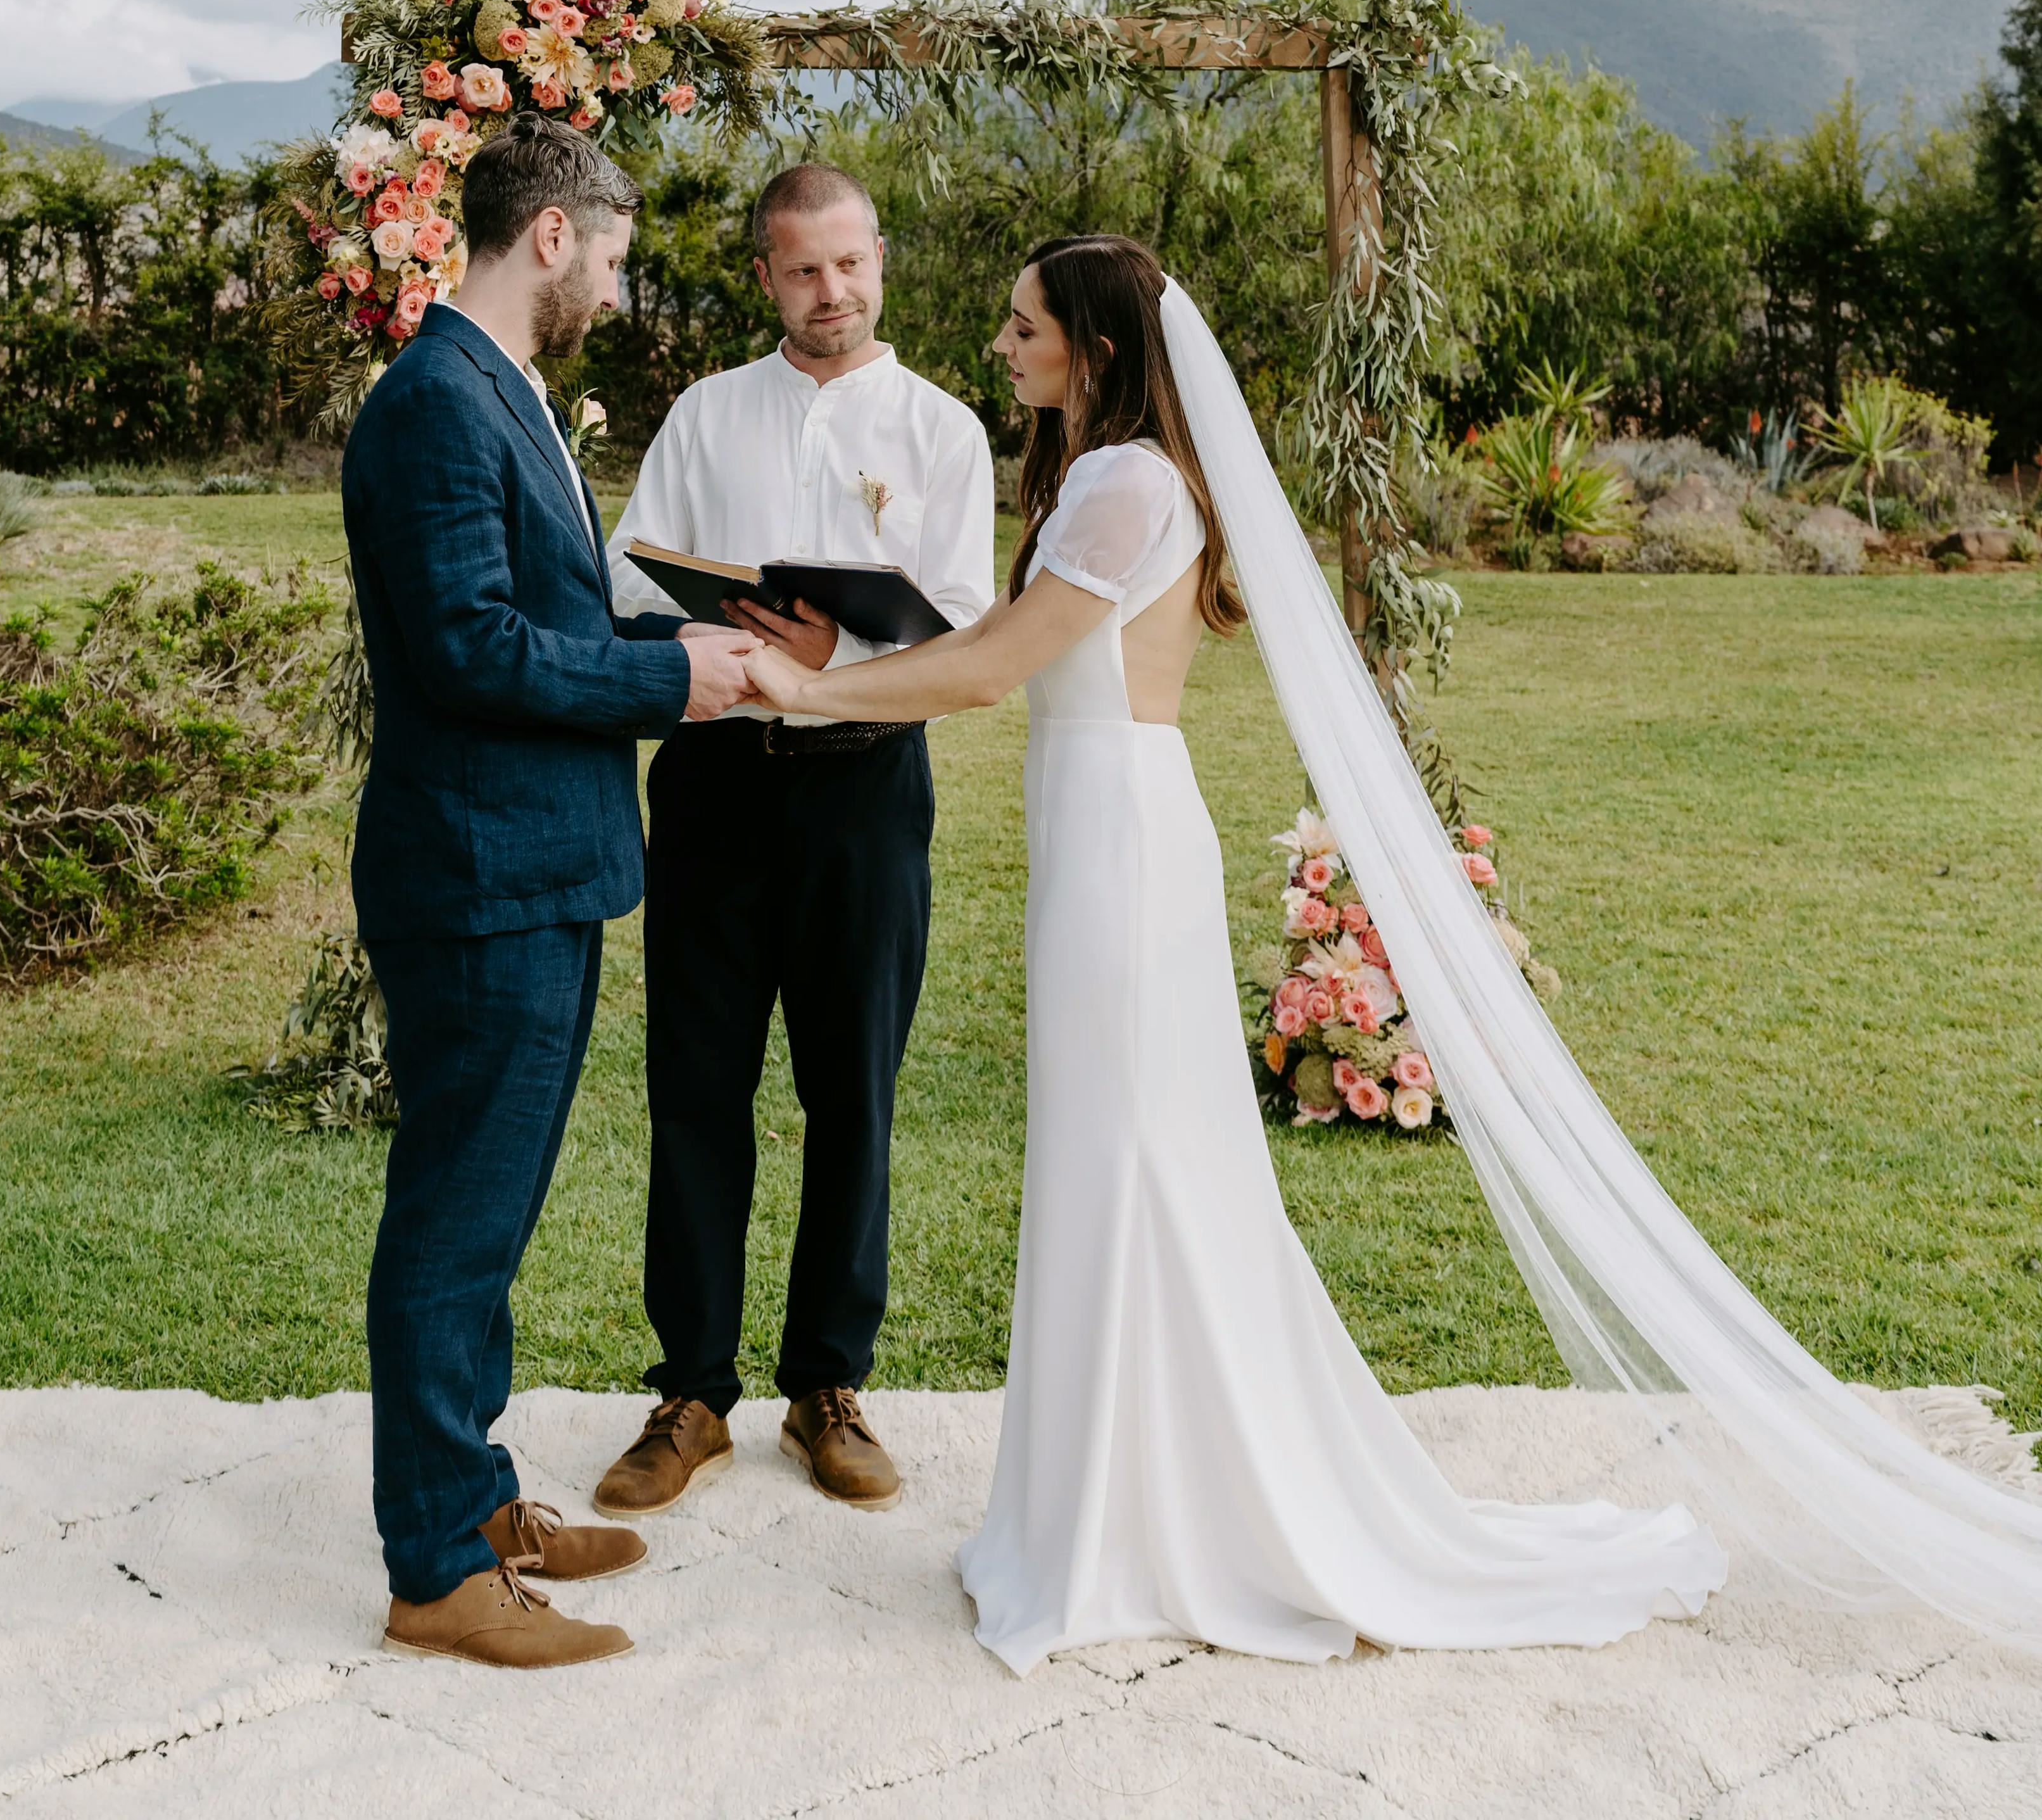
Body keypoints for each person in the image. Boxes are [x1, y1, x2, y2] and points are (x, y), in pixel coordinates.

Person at [743, 233, 2042, 1672]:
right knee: (1126, 1157)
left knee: (1131, 1157)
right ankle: (1119, 1500)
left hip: (1116, 833)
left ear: (1098, 351)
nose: (1001, 342)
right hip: (1108, 819)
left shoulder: (1123, 480)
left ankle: (1137, 1522)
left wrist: (804, 694)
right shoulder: (1125, 478)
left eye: (1024, 323)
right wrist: (847, 648)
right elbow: (1006, 638)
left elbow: (996, 671)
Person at [343, 117, 760, 1674]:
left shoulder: (496, 389)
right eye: (618, 252)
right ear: (554, 238)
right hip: (479, 877)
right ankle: (439, 1571)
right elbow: (466, 649)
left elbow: (533, 608)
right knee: (456, 1223)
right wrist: (672, 675)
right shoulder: (439, 403)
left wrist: (678, 623)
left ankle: (475, 1497)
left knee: (491, 1214)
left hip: (537, 866)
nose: (620, 283)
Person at [591, 161, 996, 1520]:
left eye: (852, 266)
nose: (832, 294)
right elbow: (624, 587)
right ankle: (693, 1392)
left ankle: (829, 1384)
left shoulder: (943, 432)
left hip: (868, 787)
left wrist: (845, 644)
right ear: (764, 277)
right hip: (712, 784)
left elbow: (964, 627)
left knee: (852, 1091)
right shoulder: (707, 416)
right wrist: (721, 633)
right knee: (697, 1089)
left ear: (882, 262)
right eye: (803, 270)